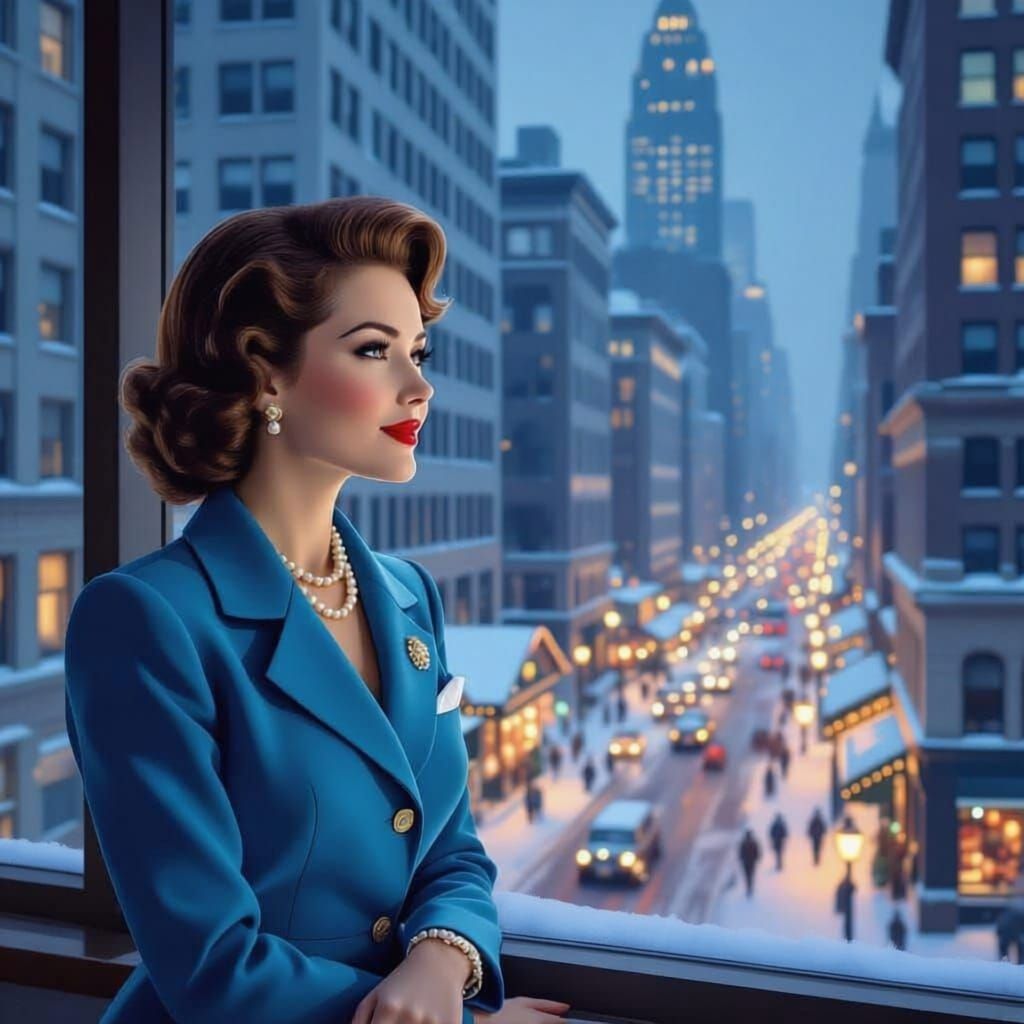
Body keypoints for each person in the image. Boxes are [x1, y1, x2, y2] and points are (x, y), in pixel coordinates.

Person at [63, 198, 567, 1024]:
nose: (419, 385)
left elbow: (450, 849)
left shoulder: (408, 594)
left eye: (417, 349)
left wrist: (446, 955)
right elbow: (211, 964)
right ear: (266, 369)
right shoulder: (144, 620)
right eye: (374, 350)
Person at [738, 829, 761, 897]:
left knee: (747, 875)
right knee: (751, 875)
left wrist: (741, 858)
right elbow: (757, 851)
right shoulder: (754, 842)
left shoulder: (743, 842)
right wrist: (757, 858)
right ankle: (750, 887)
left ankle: (749, 887)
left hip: (746, 862)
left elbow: (740, 852)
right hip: (752, 862)